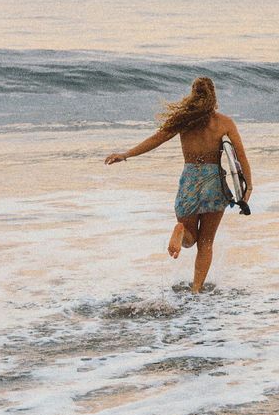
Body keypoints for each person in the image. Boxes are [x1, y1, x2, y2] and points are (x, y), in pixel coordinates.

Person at [104, 76, 252, 292]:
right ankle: (196, 290)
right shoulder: (224, 123)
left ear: (193, 94)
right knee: (206, 243)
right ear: (214, 96)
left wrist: (126, 154)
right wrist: (248, 187)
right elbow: (240, 157)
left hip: (190, 180)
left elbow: (156, 139)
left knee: (190, 239)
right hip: (214, 183)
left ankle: (181, 230)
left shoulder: (184, 119)